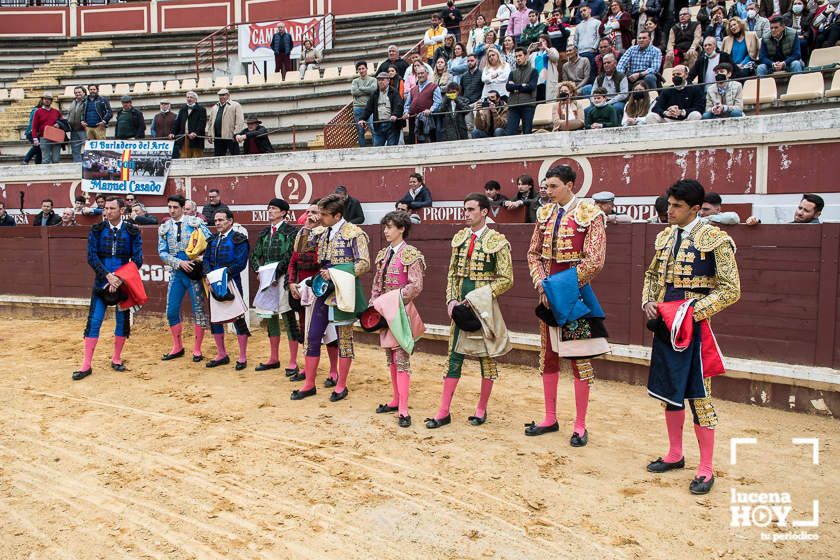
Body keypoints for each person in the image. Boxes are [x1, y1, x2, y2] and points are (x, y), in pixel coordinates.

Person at [642, 179, 741, 495]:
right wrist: (648, 301)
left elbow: (731, 289)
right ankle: (675, 454)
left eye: (676, 206)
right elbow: (651, 276)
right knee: (671, 388)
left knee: (700, 394)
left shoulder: (715, 239)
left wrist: (693, 312)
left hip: (694, 324)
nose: (669, 210)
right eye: (669, 204)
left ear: (696, 209)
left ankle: (706, 468)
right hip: (666, 323)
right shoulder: (665, 236)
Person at [524, 165, 608, 444]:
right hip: (547, 294)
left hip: (574, 295)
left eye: (553, 187)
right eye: (546, 187)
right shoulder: (544, 213)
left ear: (571, 185)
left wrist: (558, 289)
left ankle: (580, 425)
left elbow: (594, 260)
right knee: (548, 354)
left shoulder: (591, 214)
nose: (547, 192)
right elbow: (533, 253)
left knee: (579, 358)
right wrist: (541, 285)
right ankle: (550, 417)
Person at [426, 193, 513, 429]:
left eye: (471, 209)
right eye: (465, 209)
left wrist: (477, 298)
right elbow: (453, 273)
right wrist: (450, 300)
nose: (466, 214)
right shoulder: (460, 238)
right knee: (454, 356)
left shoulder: (497, 240)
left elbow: (507, 279)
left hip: (482, 307)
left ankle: (481, 409)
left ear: (484, 212)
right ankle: (443, 411)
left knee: (487, 357)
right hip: (459, 306)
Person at [290, 194, 370, 402]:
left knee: (344, 339)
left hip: (342, 291)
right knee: (313, 335)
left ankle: (341, 385)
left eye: (324, 215)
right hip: (323, 289)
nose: (320, 218)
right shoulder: (321, 232)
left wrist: (335, 272)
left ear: (337, 215)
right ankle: (309, 384)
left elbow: (363, 264)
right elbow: (298, 248)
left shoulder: (355, 233)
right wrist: (307, 225)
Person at [73, 196, 143, 381]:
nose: (107, 211)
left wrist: (119, 278)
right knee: (94, 321)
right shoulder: (97, 230)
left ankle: (117, 358)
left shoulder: (132, 231)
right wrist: (108, 276)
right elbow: (91, 256)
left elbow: (137, 260)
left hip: (123, 284)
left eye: (112, 208)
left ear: (121, 210)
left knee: (122, 322)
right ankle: (86, 364)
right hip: (101, 282)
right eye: (106, 208)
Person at [368, 211, 426, 428]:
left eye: (390, 227)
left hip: (400, 311)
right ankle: (395, 399)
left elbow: (415, 286)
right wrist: (374, 304)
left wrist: (391, 300)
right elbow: (376, 283)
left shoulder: (411, 254)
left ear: (402, 229)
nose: (386, 231)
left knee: (401, 359)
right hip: (385, 312)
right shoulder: (383, 254)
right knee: (390, 358)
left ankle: (403, 408)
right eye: (385, 227)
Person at [250, 198, 302, 372]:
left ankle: (293, 361)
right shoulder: (265, 232)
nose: (270, 211)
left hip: (284, 277)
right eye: (269, 208)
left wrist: (274, 273)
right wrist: (259, 271)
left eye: (273, 208)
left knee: (288, 317)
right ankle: (273, 358)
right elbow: (255, 255)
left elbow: (290, 255)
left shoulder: (291, 232)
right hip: (267, 277)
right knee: (269, 316)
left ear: (283, 212)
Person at [158, 194, 212, 363]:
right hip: (177, 273)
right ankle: (177, 346)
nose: (172, 210)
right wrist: (179, 263)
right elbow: (162, 252)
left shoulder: (195, 223)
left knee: (199, 311)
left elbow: (210, 242)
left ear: (182, 208)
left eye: (175, 207)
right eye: (170, 207)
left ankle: (197, 349)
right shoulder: (164, 227)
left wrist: (199, 260)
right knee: (171, 310)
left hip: (193, 274)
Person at [203, 208, 250, 369]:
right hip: (213, 283)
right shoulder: (213, 239)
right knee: (215, 319)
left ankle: (242, 357)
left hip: (232, 282)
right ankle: (221, 354)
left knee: (238, 318)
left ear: (230, 221)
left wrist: (222, 275)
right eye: (216, 221)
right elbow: (206, 260)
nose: (217, 223)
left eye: (221, 220)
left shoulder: (239, 239)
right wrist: (210, 277)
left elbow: (240, 263)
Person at [286, 202, 329, 378]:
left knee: (329, 333)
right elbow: (293, 262)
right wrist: (291, 283)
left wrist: (312, 284)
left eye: (314, 212)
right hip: (302, 289)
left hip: (320, 288)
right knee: (305, 328)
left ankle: (333, 371)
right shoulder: (301, 235)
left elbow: (325, 264)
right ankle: (307, 368)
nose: (309, 216)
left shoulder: (326, 236)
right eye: (307, 212)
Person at [358, 72, 405, 147]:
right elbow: (368, 108)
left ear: (388, 81)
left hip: (392, 125)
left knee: (391, 149)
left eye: (383, 79)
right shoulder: (375, 93)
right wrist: (362, 118)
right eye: (379, 80)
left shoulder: (394, 92)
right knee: (377, 148)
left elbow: (399, 105)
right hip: (378, 125)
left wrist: (395, 115)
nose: (380, 81)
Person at [403, 63, 443, 144]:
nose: (420, 75)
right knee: (414, 142)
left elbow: (438, 102)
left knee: (431, 141)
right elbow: (407, 104)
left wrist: (431, 110)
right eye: (418, 74)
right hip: (413, 120)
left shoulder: (434, 87)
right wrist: (406, 112)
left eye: (422, 73)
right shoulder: (413, 89)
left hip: (429, 120)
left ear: (427, 74)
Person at [505, 47, 539, 135]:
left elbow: (531, 87)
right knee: (510, 133)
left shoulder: (533, 71)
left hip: (527, 105)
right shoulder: (512, 73)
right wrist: (522, 86)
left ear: (526, 56)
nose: (518, 58)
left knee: (527, 131)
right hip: (513, 105)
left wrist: (515, 87)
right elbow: (508, 87)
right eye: (516, 56)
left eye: (520, 56)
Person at [206, 89, 245, 156]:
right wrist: (210, 134)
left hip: (231, 136)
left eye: (223, 95)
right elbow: (210, 122)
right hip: (218, 137)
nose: (221, 97)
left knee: (235, 155)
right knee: (218, 157)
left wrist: (236, 133)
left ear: (228, 95)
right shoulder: (215, 107)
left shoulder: (235, 105)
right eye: (220, 95)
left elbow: (240, 121)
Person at [170, 91, 207, 159]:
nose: (189, 99)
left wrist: (195, 133)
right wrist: (172, 132)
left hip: (196, 140)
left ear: (195, 99)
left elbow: (202, 124)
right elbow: (177, 123)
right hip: (184, 139)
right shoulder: (182, 109)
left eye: (191, 97)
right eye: (188, 97)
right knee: (184, 159)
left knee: (197, 159)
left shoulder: (202, 110)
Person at [745, 193, 824, 224]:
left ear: (817, 214)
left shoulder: (816, 230)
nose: (800, 213)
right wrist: (757, 222)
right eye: (800, 208)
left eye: (806, 210)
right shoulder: (793, 226)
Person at [31, 93, 63, 165]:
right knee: (46, 159)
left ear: (51, 101)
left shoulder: (56, 111)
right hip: (44, 137)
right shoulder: (38, 112)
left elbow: (63, 122)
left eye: (49, 99)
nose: (47, 101)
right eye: (45, 99)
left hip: (56, 136)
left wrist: (59, 124)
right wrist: (35, 138)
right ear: (42, 100)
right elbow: (34, 126)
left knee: (56, 159)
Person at [574, 5, 603, 81]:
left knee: (592, 74)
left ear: (590, 10)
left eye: (584, 10)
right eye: (581, 12)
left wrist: (594, 48)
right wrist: (577, 52)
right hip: (580, 53)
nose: (583, 13)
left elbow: (599, 36)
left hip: (592, 52)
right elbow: (575, 40)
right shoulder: (578, 26)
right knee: (582, 75)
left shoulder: (597, 22)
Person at [528, 34, 560, 101]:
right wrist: (528, 51)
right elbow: (525, 63)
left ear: (547, 42)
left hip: (547, 81)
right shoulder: (534, 54)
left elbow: (555, 58)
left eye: (543, 41)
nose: (541, 43)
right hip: (536, 81)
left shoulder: (551, 50)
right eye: (539, 41)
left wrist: (545, 47)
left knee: (548, 101)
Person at [67, 86, 87, 163]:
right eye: (76, 93)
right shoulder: (73, 102)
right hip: (74, 129)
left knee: (87, 148)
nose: (77, 94)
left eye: (79, 92)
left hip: (83, 129)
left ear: (84, 93)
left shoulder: (87, 102)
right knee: (75, 149)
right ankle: (77, 164)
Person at [23, 100, 43, 165]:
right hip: (32, 132)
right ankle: (26, 160)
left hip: (34, 132)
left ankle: (38, 163)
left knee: (39, 150)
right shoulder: (36, 111)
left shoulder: (36, 110)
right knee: (37, 147)